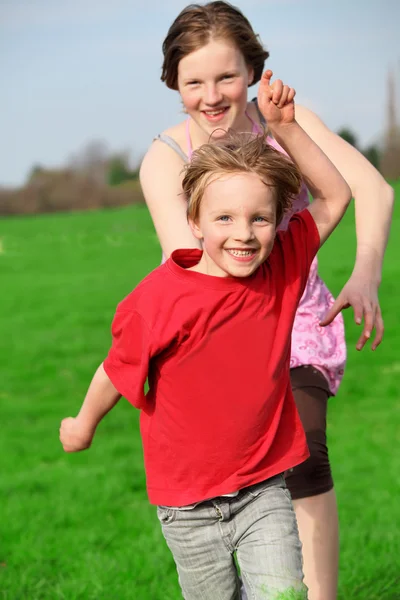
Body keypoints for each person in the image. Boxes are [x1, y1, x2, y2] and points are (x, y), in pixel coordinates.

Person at [60, 71, 352, 599]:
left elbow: (335, 197)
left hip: (264, 487)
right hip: (187, 505)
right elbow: (116, 368)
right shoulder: (159, 297)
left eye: (260, 219)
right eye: (225, 217)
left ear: (277, 221)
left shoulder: (282, 267)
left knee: (284, 592)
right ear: (194, 220)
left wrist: (287, 129)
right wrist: (83, 425)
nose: (244, 233)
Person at [139, 3, 394, 599]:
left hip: (298, 316)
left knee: (305, 450)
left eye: (226, 76)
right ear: (173, 82)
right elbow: (197, 266)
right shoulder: (166, 159)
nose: (211, 94)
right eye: (193, 80)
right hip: (215, 335)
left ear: (252, 70)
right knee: (239, 476)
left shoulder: (287, 121)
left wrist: (365, 272)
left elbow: (369, 188)